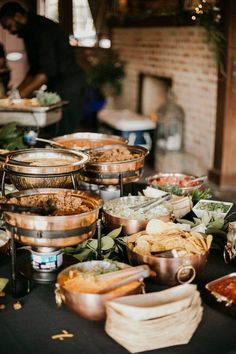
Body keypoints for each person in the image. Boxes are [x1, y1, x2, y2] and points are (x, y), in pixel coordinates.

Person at [0, 2, 85, 136]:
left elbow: (46, 72)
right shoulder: (28, 32)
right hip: (55, 85)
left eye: (9, 26)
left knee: (62, 133)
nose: (11, 31)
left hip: (69, 85)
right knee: (50, 131)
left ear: (17, 17)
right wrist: (16, 93)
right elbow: (34, 70)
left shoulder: (41, 29)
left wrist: (18, 97)